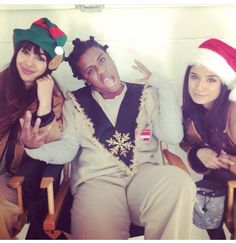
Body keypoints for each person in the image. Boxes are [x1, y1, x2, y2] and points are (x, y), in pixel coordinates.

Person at [20, 36, 196, 239]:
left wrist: (163, 85)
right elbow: (68, 148)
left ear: (110, 58)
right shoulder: (75, 103)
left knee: (178, 182)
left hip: (143, 178)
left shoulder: (146, 94)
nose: (101, 71)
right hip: (97, 183)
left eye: (102, 60)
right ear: (85, 79)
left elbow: (172, 136)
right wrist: (36, 147)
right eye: (90, 70)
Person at [0, 17, 67, 239]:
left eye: (39, 58)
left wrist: (45, 104)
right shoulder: (2, 82)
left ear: (50, 64)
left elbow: (53, 149)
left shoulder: (55, 98)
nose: (29, 62)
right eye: (25, 52)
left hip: (13, 179)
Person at [180, 38, 236, 239]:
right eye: (194, 76)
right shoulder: (190, 113)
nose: (199, 87)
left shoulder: (233, 110)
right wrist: (199, 153)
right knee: (204, 205)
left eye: (211, 79)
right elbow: (188, 145)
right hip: (216, 185)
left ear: (224, 82)